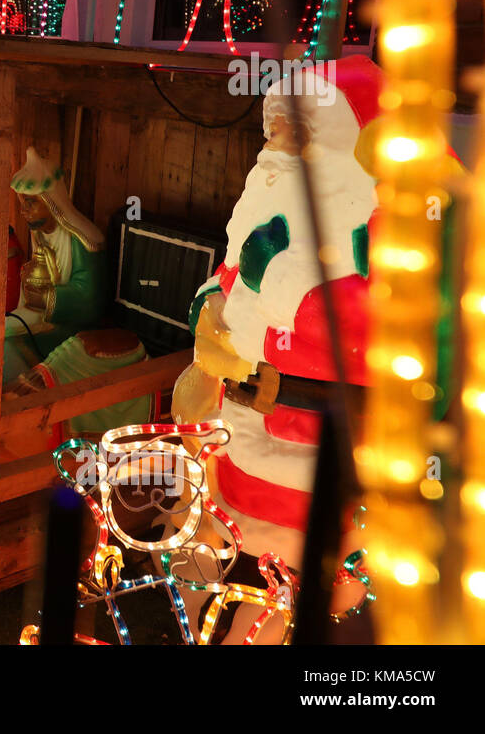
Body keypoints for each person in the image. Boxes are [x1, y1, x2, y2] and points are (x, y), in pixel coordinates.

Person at [171, 55, 404, 633]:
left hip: (310, 450)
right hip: (231, 436)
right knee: (199, 542)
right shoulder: (267, 210)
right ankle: (198, 613)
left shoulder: (375, 239)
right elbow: (223, 277)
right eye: (271, 130)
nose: (273, 148)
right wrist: (212, 301)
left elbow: (354, 332)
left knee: (289, 594)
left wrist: (261, 294)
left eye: (293, 133)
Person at [3, 147, 107, 379]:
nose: (23, 211)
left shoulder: (85, 240)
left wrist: (48, 297)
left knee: (7, 343)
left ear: (51, 201)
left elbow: (90, 299)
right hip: (41, 315)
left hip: (70, 326)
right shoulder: (40, 233)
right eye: (22, 202)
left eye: (31, 203)